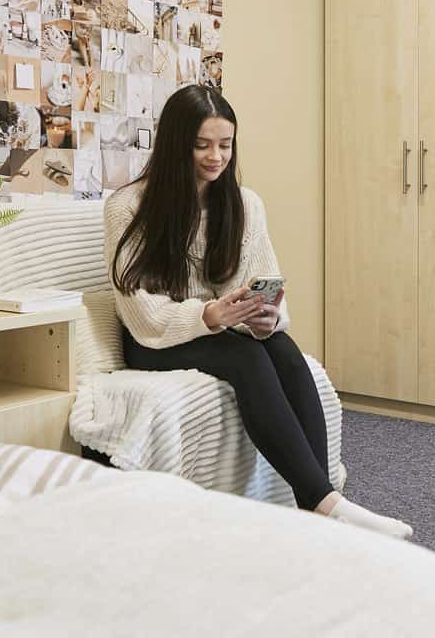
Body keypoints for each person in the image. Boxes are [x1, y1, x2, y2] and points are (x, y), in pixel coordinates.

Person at [105, 84, 412, 539]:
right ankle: (326, 507)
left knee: (283, 350)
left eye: (225, 145)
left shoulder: (245, 204)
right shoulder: (128, 207)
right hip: (155, 341)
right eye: (202, 145)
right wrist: (209, 316)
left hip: (219, 331)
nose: (216, 157)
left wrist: (266, 318)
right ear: (175, 145)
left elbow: (262, 282)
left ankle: (320, 500)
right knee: (244, 357)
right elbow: (140, 312)